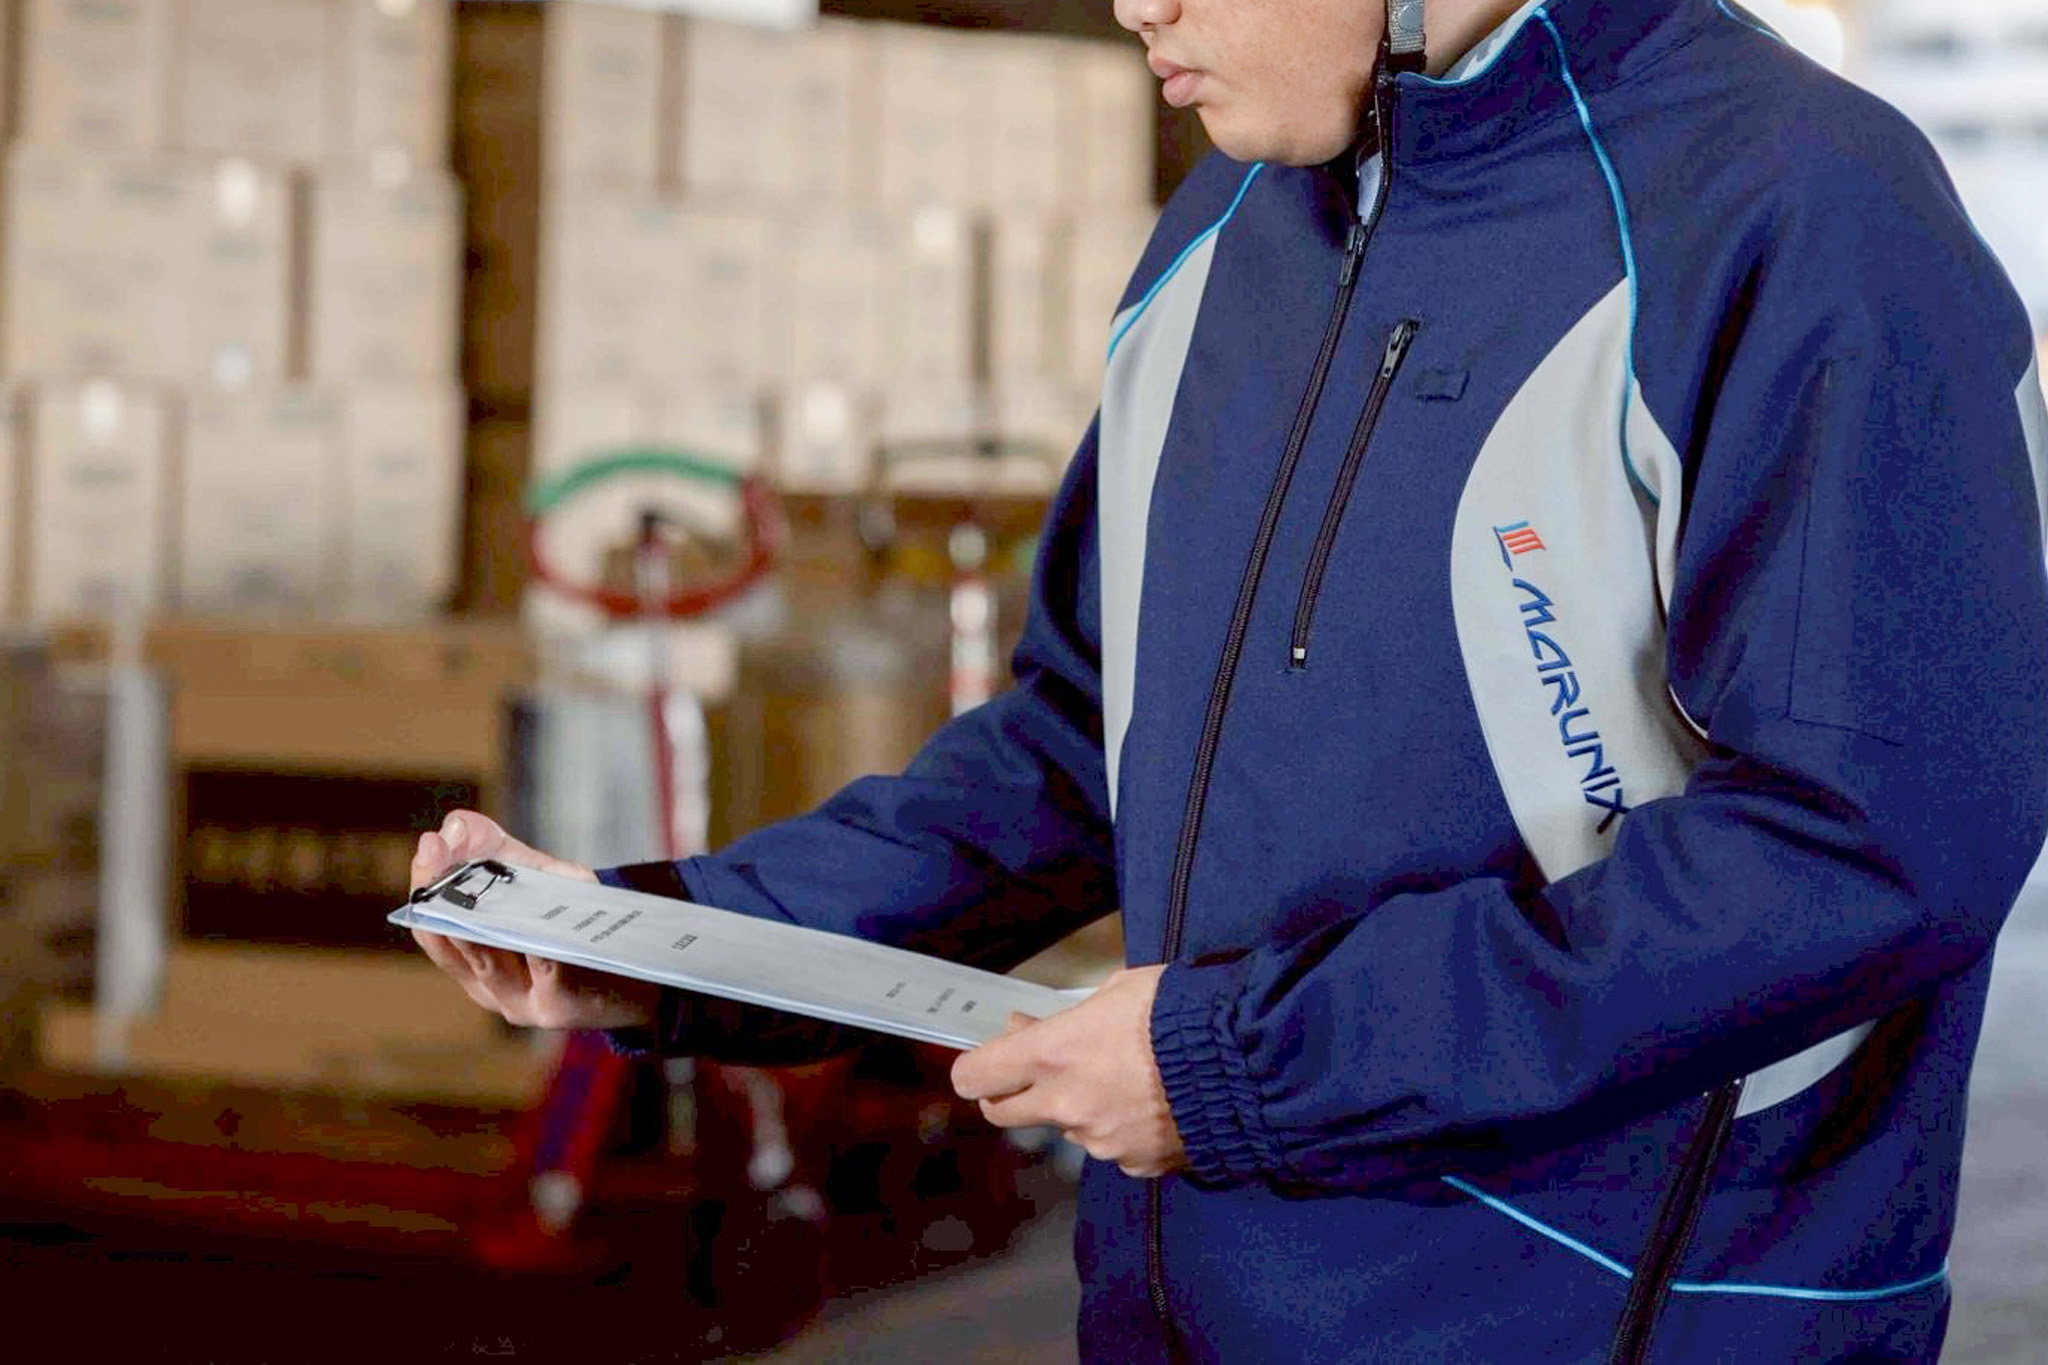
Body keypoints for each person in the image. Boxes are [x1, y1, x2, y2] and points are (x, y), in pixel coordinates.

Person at [410, 0, 2048, 1358]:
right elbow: (1075, 744)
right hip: (1183, 1308)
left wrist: (1244, 1066)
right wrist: (665, 941)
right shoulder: (1227, 226)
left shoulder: (1807, 217)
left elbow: (1867, 850)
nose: (1138, 6)